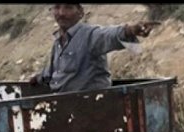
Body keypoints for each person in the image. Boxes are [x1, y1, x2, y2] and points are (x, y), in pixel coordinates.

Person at [29, 3, 160, 93]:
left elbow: (108, 35)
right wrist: (37, 78)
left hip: (90, 108)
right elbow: (52, 72)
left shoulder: (90, 35)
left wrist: (130, 30)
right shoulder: (58, 42)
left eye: (68, 7)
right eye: (57, 7)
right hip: (63, 108)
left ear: (80, 12)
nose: (61, 13)